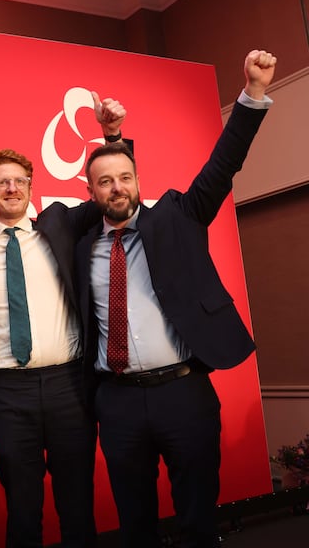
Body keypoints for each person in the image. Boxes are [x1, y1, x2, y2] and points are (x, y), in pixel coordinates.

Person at [75, 49, 276, 548]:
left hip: (184, 394)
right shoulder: (81, 247)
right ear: (91, 190)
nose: (117, 187)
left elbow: (223, 164)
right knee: (135, 519)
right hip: (116, 399)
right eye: (105, 181)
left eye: (125, 177)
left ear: (137, 180)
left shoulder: (177, 218)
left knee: (197, 518)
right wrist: (110, 139)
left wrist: (252, 94)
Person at [0, 95, 126, 548]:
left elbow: (113, 189)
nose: (11, 188)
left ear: (30, 186)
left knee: (77, 508)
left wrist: (113, 136)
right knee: (22, 512)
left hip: (69, 387)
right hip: (7, 394)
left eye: (18, 181)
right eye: (0, 183)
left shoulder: (61, 224)